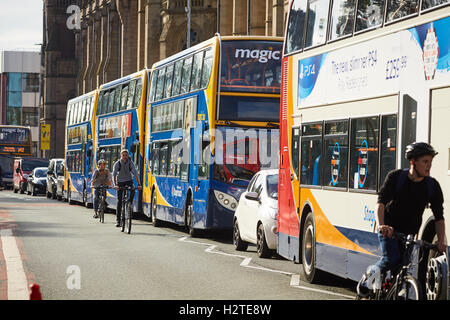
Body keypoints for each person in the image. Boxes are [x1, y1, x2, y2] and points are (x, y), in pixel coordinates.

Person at [357, 142, 446, 296]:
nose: (429, 166)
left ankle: (388, 292)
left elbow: (439, 217)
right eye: (425, 161)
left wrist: (440, 242)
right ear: (413, 161)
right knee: (391, 259)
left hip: (409, 234)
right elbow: (381, 203)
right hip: (389, 229)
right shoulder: (396, 177)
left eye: (430, 162)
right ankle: (368, 277)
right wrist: (381, 225)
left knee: (402, 268)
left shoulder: (432, 186)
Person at [112, 149, 142, 227]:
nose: (125, 157)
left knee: (133, 189)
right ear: (121, 156)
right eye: (123, 155)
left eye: (126, 155)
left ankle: (129, 202)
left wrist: (139, 184)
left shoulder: (130, 163)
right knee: (119, 202)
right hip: (120, 182)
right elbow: (114, 175)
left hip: (129, 181)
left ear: (128, 156)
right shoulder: (117, 164)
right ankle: (118, 221)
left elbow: (135, 173)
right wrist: (115, 185)